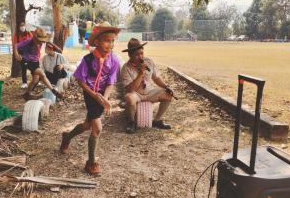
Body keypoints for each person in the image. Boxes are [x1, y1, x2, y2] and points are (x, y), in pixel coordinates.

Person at [59, 22, 121, 175]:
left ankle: (68, 136)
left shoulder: (114, 60)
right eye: (107, 40)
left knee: (87, 125)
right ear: (97, 41)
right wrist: (95, 96)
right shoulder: (87, 60)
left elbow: (110, 82)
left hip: (101, 95)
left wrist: (104, 98)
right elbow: (80, 80)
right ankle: (91, 162)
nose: (110, 44)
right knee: (97, 128)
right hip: (89, 93)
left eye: (113, 40)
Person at [121, 38, 174, 133]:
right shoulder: (126, 68)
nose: (140, 57)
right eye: (137, 55)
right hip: (136, 93)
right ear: (129, 55)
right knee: (129, 98)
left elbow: (156, 78)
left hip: (149, 92)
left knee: (168, 95)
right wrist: (140, 74)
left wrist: (166, 86)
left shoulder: (149, 61)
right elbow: (130, 89)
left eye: (141, 53)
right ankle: (132, 122)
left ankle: (157, 121)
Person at [16, 27, 62, 101]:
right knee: (42, 74)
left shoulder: (41, 41)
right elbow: (16, 46)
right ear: (35, 38)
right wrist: (16, 55)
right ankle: (53, 90)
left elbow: (48, 42)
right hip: (27, 60)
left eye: (42, 41)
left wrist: (57, 48)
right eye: (40, 41)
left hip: (35, 60)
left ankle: (27, 94)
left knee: (35, 79)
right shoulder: (28, 42)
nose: (42, 42)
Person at [13, 22, 33, 89]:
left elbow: (32, 42)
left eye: (23, 25)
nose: (22, 27)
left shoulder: (29, 33)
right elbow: (15, 45)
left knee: (33, 66)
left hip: (29, 52)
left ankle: (35, 79)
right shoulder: (17, 35)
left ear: (25, 26)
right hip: (21, 53)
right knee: (23, 67)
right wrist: (17, 54)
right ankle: (24, 83)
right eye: (21, 26)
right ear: (19, 27)